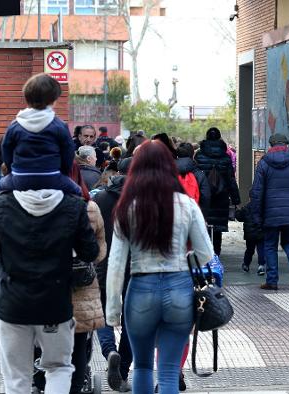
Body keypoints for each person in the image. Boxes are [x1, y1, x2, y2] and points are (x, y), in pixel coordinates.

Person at [106, 140, 214, 393]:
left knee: (142, 366)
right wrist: (183, 258)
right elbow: (206, 254)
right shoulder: (186, 205)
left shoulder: (128, 207)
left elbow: (116, 264)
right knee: (167, 371)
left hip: (141, 289)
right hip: (179, 289)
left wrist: (113, 309)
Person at [0, 185, 99, 394]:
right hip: (55, 300)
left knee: (17, 378)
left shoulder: (1, 203)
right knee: (59, 368)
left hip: (13, 301)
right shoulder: (73, 204)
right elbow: (91, 251)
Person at [0, 73, 81, 196]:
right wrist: (61, 173)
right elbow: (68, 154)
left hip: (20, 178)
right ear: (53, 100)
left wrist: (12, 171)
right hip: (51, 177)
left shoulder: (15, 125)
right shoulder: (59, 126)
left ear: (27, 97)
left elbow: (6, 150)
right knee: (78, 192)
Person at [250, 133, 289, 291]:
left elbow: (257, 192)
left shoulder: (264, 163)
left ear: (271, 146)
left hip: (270, 214)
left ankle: (272, 281)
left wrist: (256, 216)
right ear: (287, 145)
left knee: (270, 245)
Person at [93, 158, 133, 392]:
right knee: (131, 320)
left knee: (104, 313)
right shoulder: (142, 200)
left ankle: (110, 351)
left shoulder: (100, 198)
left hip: (104, 265)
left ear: (117, 172)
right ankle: (123, 370)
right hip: (134, 268)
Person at [68, 162, 107, 394]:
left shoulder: (46, 204)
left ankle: (42, 382)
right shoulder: (90, 207)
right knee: (79, 342)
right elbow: (100, 245)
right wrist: (89, 262)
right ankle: (78, 385)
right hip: (83, 285)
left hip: (48, 286)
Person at [195, 127, 241, 256]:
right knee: (217, 229)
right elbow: (231, 179)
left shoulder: (199, 155)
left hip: (204, 197)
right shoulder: (225, 157)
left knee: (205, 225)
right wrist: (236, 199)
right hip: (221, 197)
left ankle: (206, 254)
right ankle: (216, 253)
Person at [176, 142, 211, 216]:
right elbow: (206, 197)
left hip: (174, 216)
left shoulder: (168, 172)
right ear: (192, 155)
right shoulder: (199, 174)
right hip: (194, 215)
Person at [235, 193, 265, 276]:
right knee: (261, 249)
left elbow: (239, 217)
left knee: (249, 250)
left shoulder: (246, 207)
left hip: (250, 234)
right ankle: (261, 265)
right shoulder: (262, 208)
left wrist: (237, 211)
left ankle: (246, 264)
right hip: (261, 233)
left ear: (249, 198)